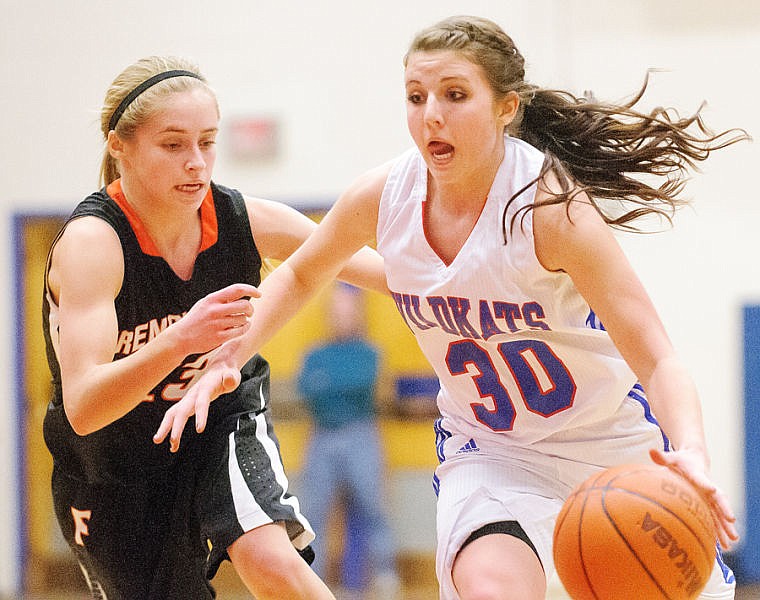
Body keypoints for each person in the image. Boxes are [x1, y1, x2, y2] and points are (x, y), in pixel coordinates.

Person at [155, 16, 750, 600]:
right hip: (494, 451)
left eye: (455, 94)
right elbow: (307, 269)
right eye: (416, 96)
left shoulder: (549, 209)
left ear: (506, 108)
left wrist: (691, 451)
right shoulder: (383, 195)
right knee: (491, 586)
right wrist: (229, 357)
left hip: (608, 444)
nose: (430, 113)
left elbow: (658, 356)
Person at [41, 55, 387, 599]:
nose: (197, 163)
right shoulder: (93, 244)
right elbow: (84, 408)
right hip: (113, 461)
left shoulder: (239, 219)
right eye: (173, 145)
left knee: (269, 559)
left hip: (216, 418)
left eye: (207, 142)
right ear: (120, 146)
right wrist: (181, 337)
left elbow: (371, 269)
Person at [296, 282, 399, 599]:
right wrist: (334, 388)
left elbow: (361, 385)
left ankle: (385, 578)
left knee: (374, 510)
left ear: (358, 314)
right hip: (321, 438)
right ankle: (312, 582)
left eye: (348, 311)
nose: (342, 318)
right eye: (337, 311)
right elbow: (307, 391)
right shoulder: (314, 354)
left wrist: (329, 386)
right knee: (313, 516)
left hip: (361, 436)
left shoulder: (370, 353)